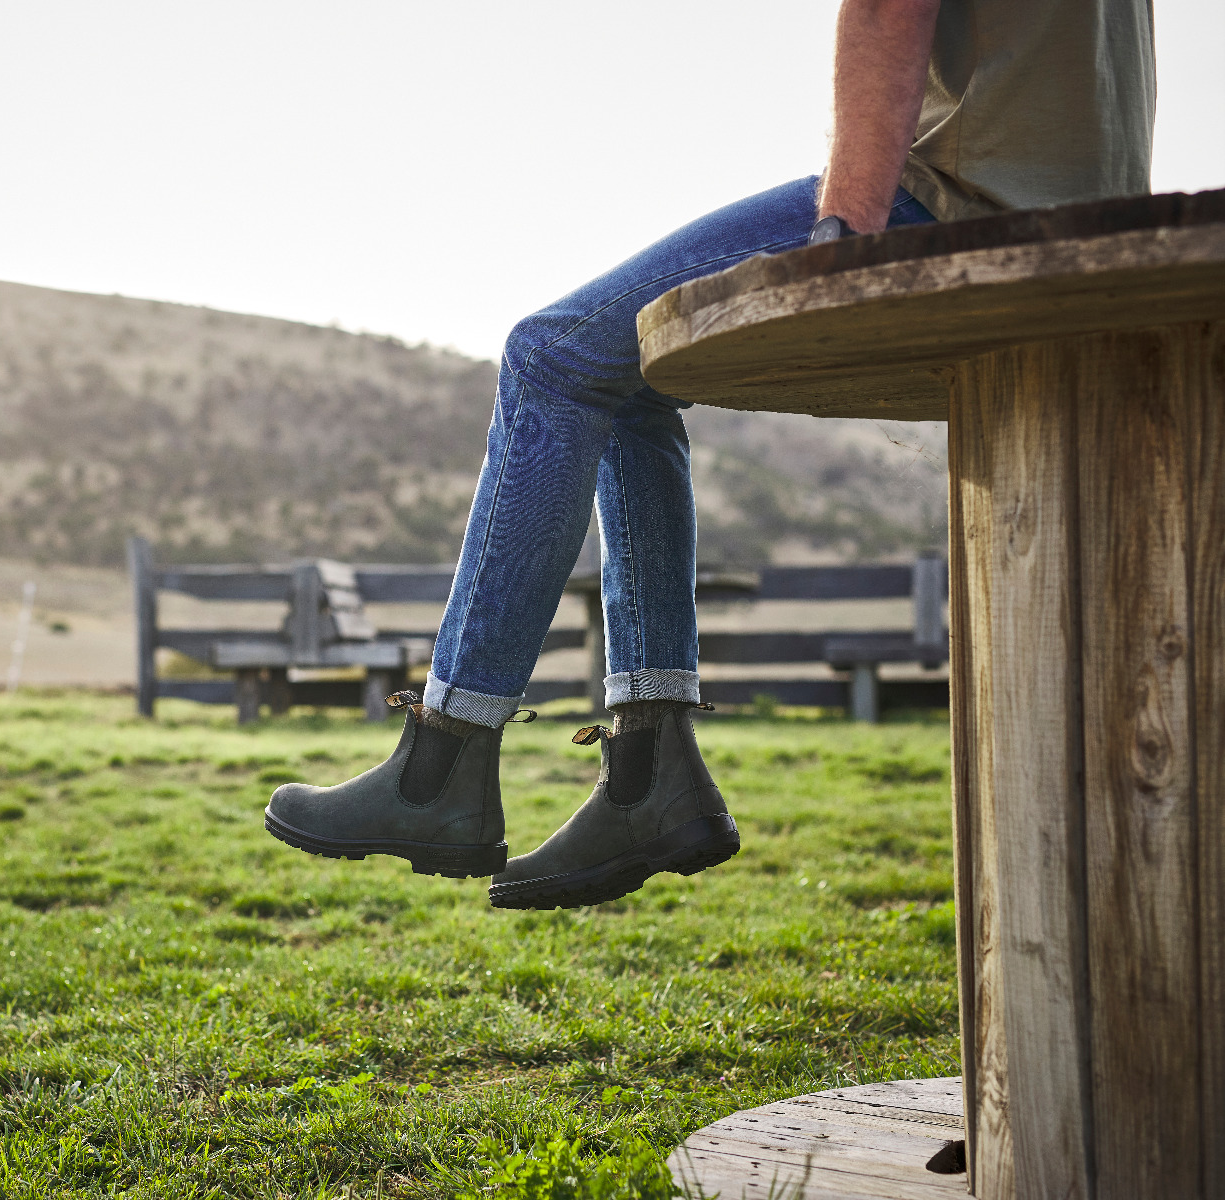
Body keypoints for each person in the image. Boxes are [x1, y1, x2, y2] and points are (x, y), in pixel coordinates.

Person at [265, 0, 1155, 909]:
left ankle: (441, 767)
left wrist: (840, 237)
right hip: (1080, 198)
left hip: (947, 194)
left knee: (550, 356)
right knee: (628, 379)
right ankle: (651, 770)